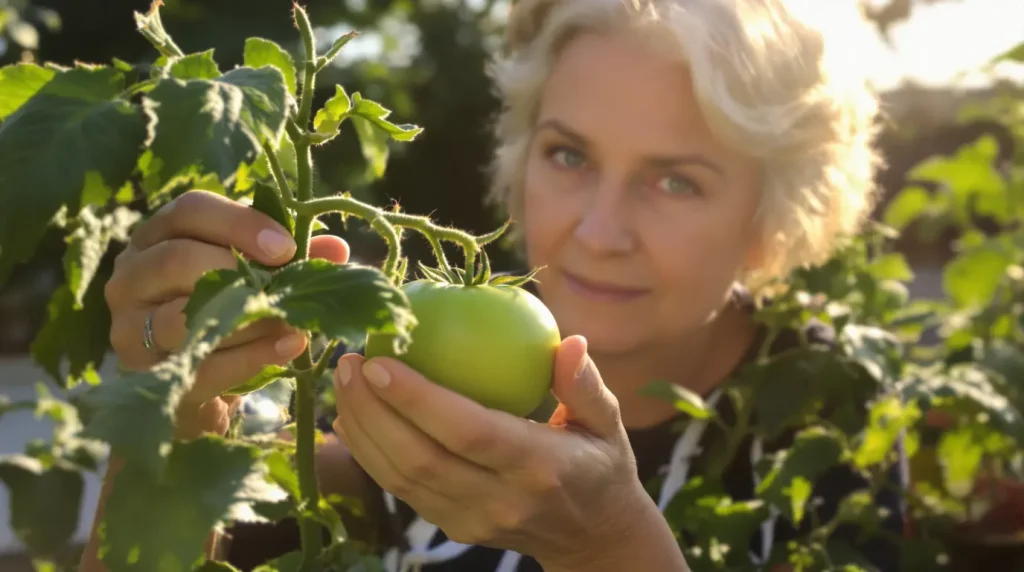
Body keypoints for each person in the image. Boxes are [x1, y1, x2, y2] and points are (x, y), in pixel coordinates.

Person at [80, 0, 908, 571]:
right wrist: (173, 413)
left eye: (677, 181)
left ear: (774, 217)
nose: (597, 230)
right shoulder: (404, 400)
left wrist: (609, 549)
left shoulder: (825, 413)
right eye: (569, 155)